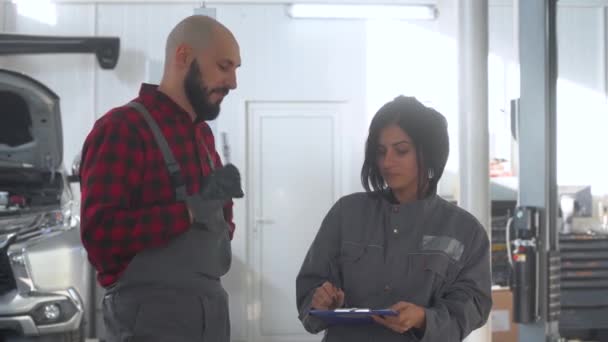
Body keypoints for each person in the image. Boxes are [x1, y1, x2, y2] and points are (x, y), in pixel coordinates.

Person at [79, 15, 243, 342]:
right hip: (149, 324)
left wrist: (220, 213)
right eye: (224, 66)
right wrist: (187, 212)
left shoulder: (204, 138)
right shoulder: (122, 128)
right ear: (183, 57)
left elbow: (219, 229)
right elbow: (100, 236)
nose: (233, 82)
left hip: (211, 319)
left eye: (236, 70)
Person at [296, 96, 492, 341]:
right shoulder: (346, 214)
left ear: (429, 153)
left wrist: (423, 318)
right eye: (380, 151)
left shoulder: (465, 231)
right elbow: (309, 290)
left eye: (401, 150)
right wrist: (321, 301)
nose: (387, 162)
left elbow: (472, 306)